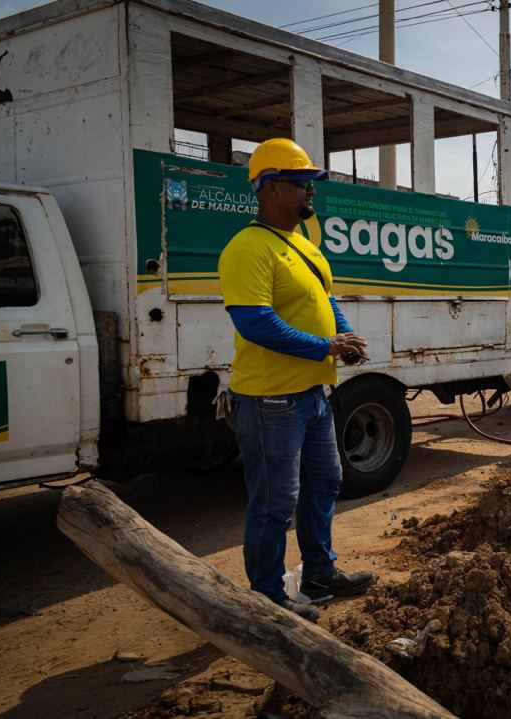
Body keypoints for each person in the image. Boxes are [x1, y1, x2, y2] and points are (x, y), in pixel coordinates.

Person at [218, 138, 376, 622]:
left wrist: (343, 334)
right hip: (270, 401)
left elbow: (323, 300)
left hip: (312, 395)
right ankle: (267, 597)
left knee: (325, 483)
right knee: (274, 501)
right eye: (301, 183)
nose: (311, 191)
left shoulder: (301, 245)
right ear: (269, 189)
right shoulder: (247, 249)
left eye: (311, 183)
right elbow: (256, 323)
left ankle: (319, 573)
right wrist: (324, 346)